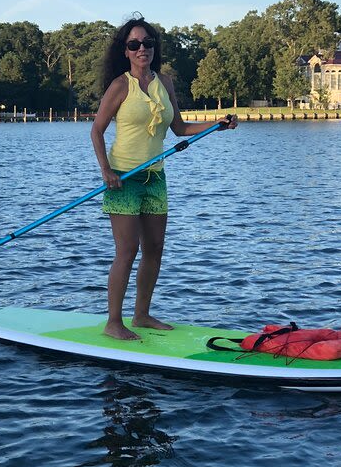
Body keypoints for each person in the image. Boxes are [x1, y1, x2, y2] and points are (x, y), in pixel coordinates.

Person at [91, 17, 238, 340]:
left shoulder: (165, 83)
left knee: (154, 248)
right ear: (126, 51)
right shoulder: (120, 86)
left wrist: (217, 125)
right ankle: (113, 322)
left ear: (154, 48)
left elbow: (180, 129)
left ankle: (141, 315)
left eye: (147, 43)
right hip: (124, 179)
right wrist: (106, 171)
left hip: (155, 177)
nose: (142, 49)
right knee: (127, 251)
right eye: (134, 44)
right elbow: (97, 130)